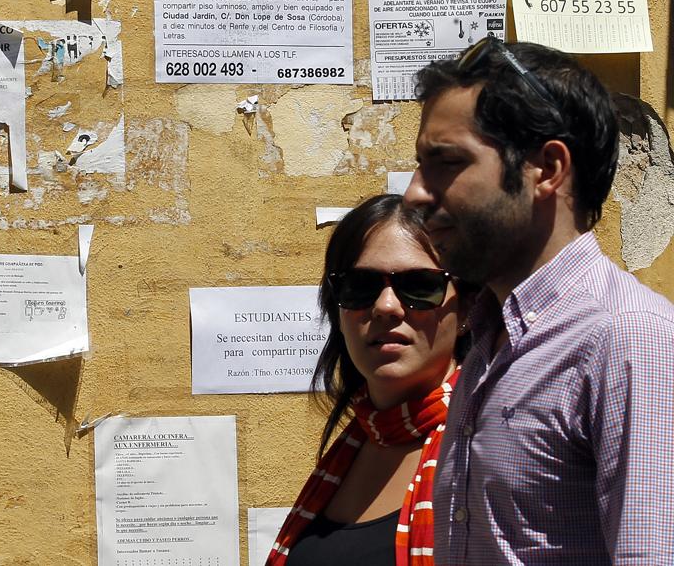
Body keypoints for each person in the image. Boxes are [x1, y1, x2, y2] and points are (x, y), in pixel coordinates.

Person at [404, 37, 674, 564]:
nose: (415, 192)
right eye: (420, 164)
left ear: (547, 170)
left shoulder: (630, 340)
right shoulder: (488, 338)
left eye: (446, 162)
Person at [268, 194, 473, 566]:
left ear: (466, 311)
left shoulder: (493, 444)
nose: (386, 306)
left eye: (420, 285)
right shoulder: (352, 448)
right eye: (360, 286)